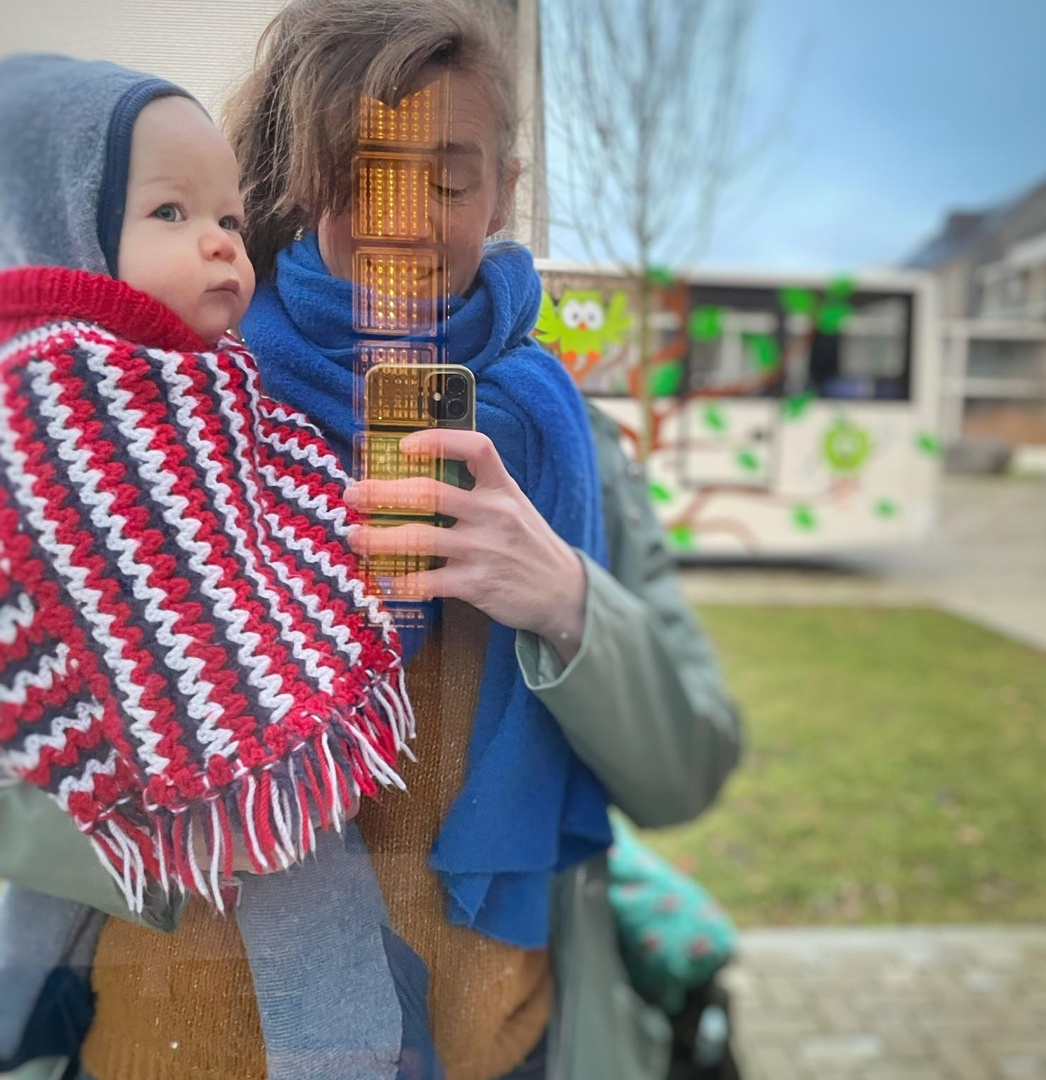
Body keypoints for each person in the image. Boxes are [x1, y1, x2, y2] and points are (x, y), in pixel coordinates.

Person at [0, 2, 744, 1078]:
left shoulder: (570, 442)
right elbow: (28, 796)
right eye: (360, 174)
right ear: (299, 181)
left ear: (505, 191)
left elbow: (687, 769)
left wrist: (569, 602)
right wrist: (201, 753)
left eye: (446, 177)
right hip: (177, 1045)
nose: (401, 218)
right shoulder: (160, 416)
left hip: (508, 1043)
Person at [0, 53, 441, 1080]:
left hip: (158, 749)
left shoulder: (206, 382)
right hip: (206, 743)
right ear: (56, 221)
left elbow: (255, 527)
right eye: (167, 212)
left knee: (101, 872)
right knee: (310, 887)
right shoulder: (55, 389)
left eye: (232, 221)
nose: (218, 244)